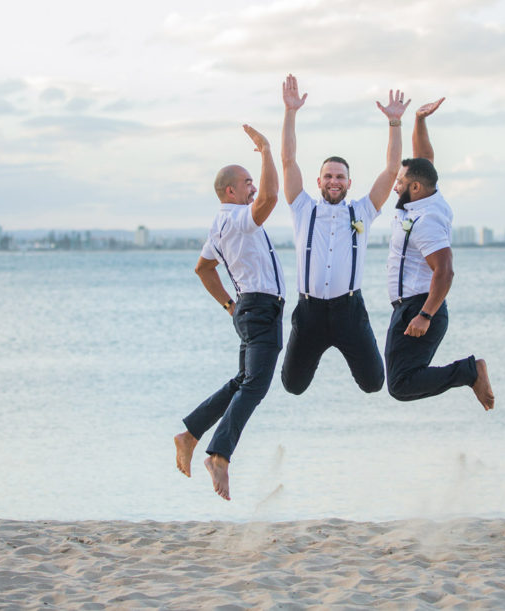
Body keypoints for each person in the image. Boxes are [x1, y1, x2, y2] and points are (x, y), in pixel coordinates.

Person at [278, 74, 409, 396]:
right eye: (328, 176)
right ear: (318, 181)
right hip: (309, 312)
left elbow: (392, 171)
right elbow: (287, 159)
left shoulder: (362, 211)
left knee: (373, 383)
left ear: (349, 182)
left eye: (340, 177)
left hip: (349, 311)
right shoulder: (301, 207)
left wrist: (394, 123)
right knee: (292, 386)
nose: (334, 181)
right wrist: (291, 112)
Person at [174, 124, 285, 501]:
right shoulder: (235, 217)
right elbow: (270, 198)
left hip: (251, 308)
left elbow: (203, 269)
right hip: (260, 309)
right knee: (255, 384)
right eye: (247, 182)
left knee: (243, 381)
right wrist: (268, 150)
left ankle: (190, 433)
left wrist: (229, 305)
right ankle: (219, 455)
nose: (253, 188)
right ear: (230, 191)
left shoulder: (219, 225)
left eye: (253, 182)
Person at [384, 98, 495, 410]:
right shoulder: (425, 198)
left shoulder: (426, 220)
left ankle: (470, 371)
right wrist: (419, 120)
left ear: (416, 188)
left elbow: (444, 271)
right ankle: (468, 371)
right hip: (409, 307)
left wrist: (425, 315)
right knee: (400, 383)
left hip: (419, 308)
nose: (395, 187)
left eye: (400, 183)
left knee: (401, 384)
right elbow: (425, 158)